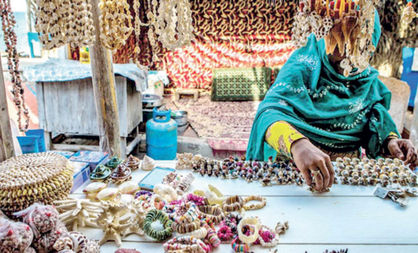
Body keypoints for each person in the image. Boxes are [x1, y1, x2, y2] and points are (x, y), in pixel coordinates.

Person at [246, 2, 417, 192]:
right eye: (340, 46)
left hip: (345, 181)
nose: (347, 59)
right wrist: (297, 144)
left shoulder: (367, 82)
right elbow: (268, 114)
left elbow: (375, 124)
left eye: (358, 49)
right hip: (294, 178)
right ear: (326, 36)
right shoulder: (302, 66)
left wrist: (390, 142)